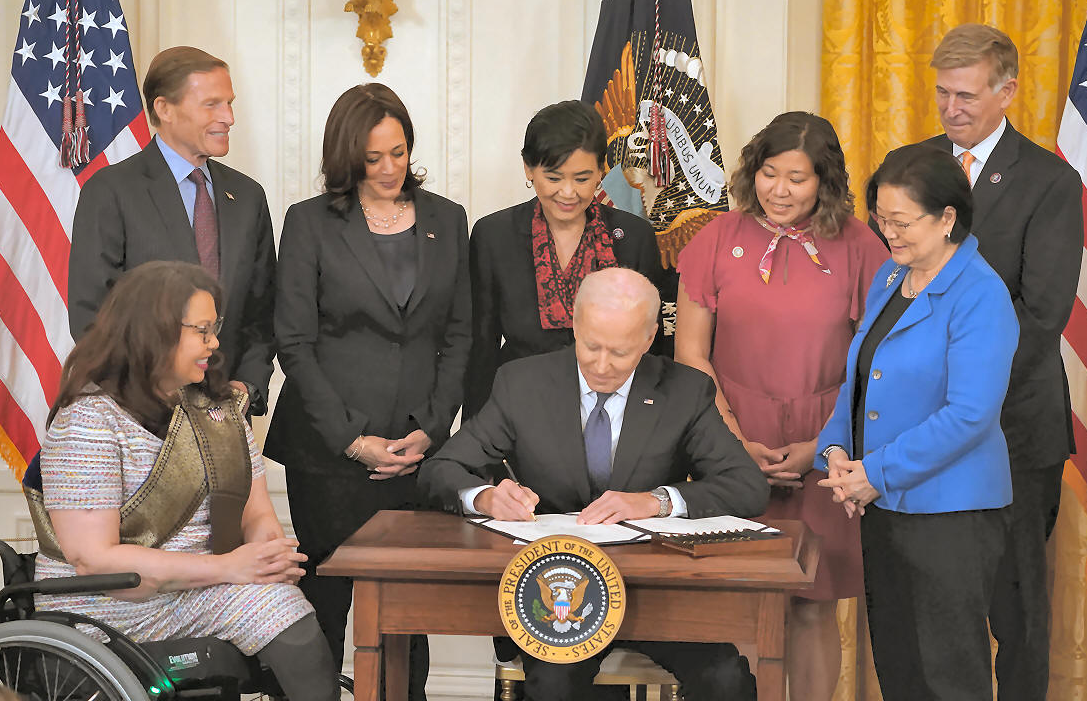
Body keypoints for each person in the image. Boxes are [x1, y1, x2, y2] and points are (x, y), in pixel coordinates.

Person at [420, 268, 766, 701]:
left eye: (619, 352)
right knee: (553, 686)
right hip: (556, 593)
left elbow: (748, 486)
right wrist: (486, 497)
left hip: (656, 592)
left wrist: (656, 502)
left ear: (649, 338)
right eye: (591, 346)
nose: (602, 366)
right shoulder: (522, 382)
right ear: (575, 325)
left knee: (726, 679)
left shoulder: (685, 391)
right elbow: (440, 469)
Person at [26, 261, 337, 701]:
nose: (215, 343)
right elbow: (95, 561)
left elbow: (256, 513)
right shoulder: (88, 421)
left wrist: (269, 558)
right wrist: (229, 568)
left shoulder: (220, 409)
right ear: (153, 332)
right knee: (280, 612)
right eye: (202, 331)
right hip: (110, 606)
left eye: (215, 328)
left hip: (198, 588)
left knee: (285, 607)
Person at [889, 24, 1083, 700]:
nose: (951, 108)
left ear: (1007, 91)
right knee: (926, 608)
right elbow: (888, 290)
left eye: (966, 95)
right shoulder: (909, 167)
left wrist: (957, 389)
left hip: (1013, 431)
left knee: (1016, 610)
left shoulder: (1050, 181)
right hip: (918, 434)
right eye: (942, 93)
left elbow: (1043, 313)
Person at [264, 83, 470, 700]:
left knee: (409, 609)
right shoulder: (309, 221)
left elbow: (459, 335)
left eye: (398, 153)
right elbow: (293, 341)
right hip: (328, 452)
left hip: (415, 448)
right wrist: (353, 440)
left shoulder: (447, 219)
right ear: (347, 156)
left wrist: (431, 429)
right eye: (372, 157)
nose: (387, 168)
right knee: (324, 604)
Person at [674, 111, 888, 701]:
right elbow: (690, 353)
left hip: (829, 443)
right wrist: (732, 444)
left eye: (797, 178)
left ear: (824, 181)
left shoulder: (861, 246)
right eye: (769, 173)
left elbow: (878, 362)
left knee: (813, 603)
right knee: (747, 604)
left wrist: (822, 444)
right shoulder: (716, 237)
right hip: (729, 437)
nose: (780, 190)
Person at [816, 145, 1019, 700]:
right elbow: (861, 375)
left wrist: (876, 472)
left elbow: (970, 414)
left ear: (947, 218)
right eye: (881, 220)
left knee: (948, 676)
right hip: (883, 506)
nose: (888, 234)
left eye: (901, 223)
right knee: (899, 664)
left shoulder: (980, 293)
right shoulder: (891, 275)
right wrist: (835, 451)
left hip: (951, 515)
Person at [68, 46, 276, 415]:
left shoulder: (247, 196)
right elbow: (92, 315)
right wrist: (151, 393)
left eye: (229, 103)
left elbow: (262, 313)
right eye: (212, 104)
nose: (228, 117)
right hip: (140, 414)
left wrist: (246, 386)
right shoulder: (112, 191)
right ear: (164, 109)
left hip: (226, 417)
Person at [464, 100, 663, 419]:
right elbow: (481, 351)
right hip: (520, 410)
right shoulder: (494, 236)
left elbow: (653, 348)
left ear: (601, 170)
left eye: (582, 179)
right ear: (529, 169)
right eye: (554, 178)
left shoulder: (634, 237)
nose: (568, 193)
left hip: (611, 413)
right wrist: (477, 440)